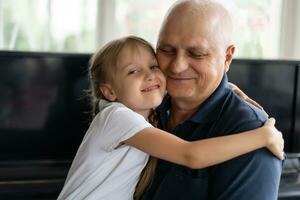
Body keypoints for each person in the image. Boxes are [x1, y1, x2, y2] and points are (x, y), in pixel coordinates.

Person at [57, 36, 283, 200]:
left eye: (153, 66)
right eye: (133, 71)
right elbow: (190, 154)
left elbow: (190, 86)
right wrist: (264, 136)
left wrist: (231, 89)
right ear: (110, 92)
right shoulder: (117, 117)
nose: (149, 75)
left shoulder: (145, 111)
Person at [141, 1, 283, 200]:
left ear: (227, 58)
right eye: (167, 50)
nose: (176, 66)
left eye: (196, 54)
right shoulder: (143, 106)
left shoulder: (251, 134)